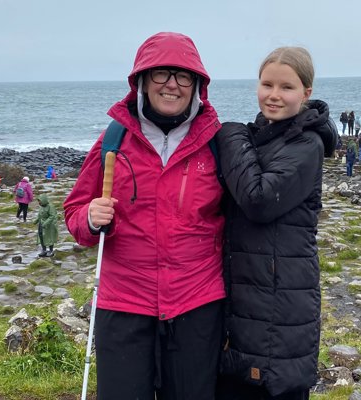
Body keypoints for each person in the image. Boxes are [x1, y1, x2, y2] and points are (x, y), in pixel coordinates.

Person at [63, 32, 225, 400]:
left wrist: (313, 131)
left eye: (183, 76)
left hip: (197, 303)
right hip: (123, 303)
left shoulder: (217, 142)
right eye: (160, 74)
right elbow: (74, 213)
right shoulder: (113, 141)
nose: (172, 85)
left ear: (197, 85)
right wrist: (90, 217)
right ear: (141, 81)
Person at [215, 46, 336, 400]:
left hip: (279, 296)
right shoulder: (267, 135)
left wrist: (231, 135)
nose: (274, 95)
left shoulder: (306, 144)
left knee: (271, 384)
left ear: (306, 93)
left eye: (286, 87)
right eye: (267, 84)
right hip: (252, 288)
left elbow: (258, 200)